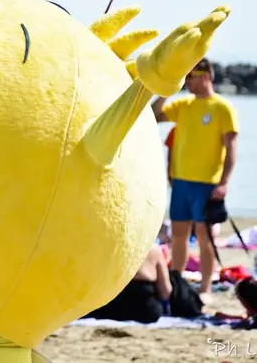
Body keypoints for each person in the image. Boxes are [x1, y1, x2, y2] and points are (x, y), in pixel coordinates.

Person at [151, 58, 239, 300]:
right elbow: (154, 114)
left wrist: (224, 182)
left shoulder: (222, 107)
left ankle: (205, 287)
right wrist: (169, 87)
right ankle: (177, 285)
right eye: (186, 77)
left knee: (205, 238)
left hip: (207, 183)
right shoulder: (184, 105)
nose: (188, 81)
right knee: (178, 236)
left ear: (206, 76)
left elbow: (231, 147)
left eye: (191, 76)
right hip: (181, 182)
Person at [87, 244, 173, 323]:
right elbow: (165, 291)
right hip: (144, 307)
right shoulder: (153, 249)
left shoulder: (105, 244)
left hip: (109, 304)